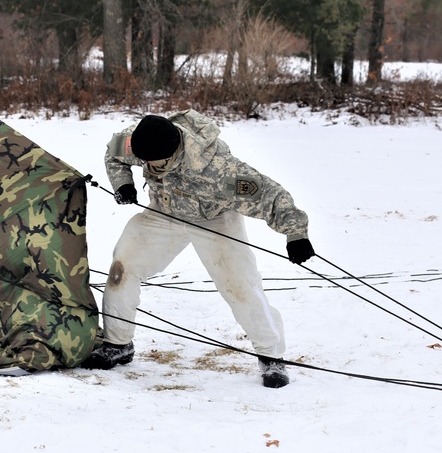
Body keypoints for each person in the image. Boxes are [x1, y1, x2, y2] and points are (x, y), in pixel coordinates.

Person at [82, 110, 315, 388]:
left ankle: (271, 356)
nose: (145, 165)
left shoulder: (218, 169)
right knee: (123, 267)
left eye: (151, 162)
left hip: (214, 218)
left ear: (171, 154)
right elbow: (113, 154)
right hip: (164, 212)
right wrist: (123, 184)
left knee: (240, 287)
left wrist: (296, 234)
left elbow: (270, 195)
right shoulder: (139, 140)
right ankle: (118, 343)